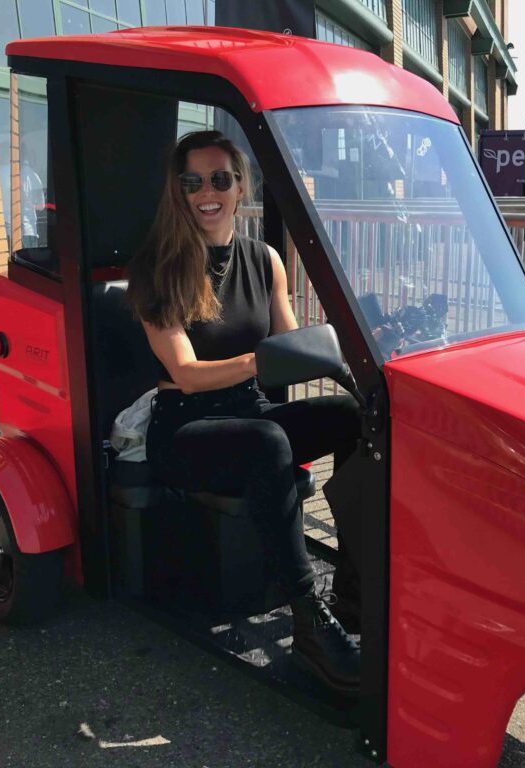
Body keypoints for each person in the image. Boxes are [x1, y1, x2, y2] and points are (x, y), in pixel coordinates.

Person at [126, 130, 361, 692]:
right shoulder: (156, 269)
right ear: (178, 191)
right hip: (185, 427)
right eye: (193, 182)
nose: (207, 192)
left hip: (249, 413)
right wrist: (261, 361)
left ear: (239, 186)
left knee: (355, 417)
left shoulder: (266, 260)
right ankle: (309, 625)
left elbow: (289, 348)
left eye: (220, 179)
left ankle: (354, 589)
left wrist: (358, 345)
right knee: (268, 443)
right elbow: (184, 372)